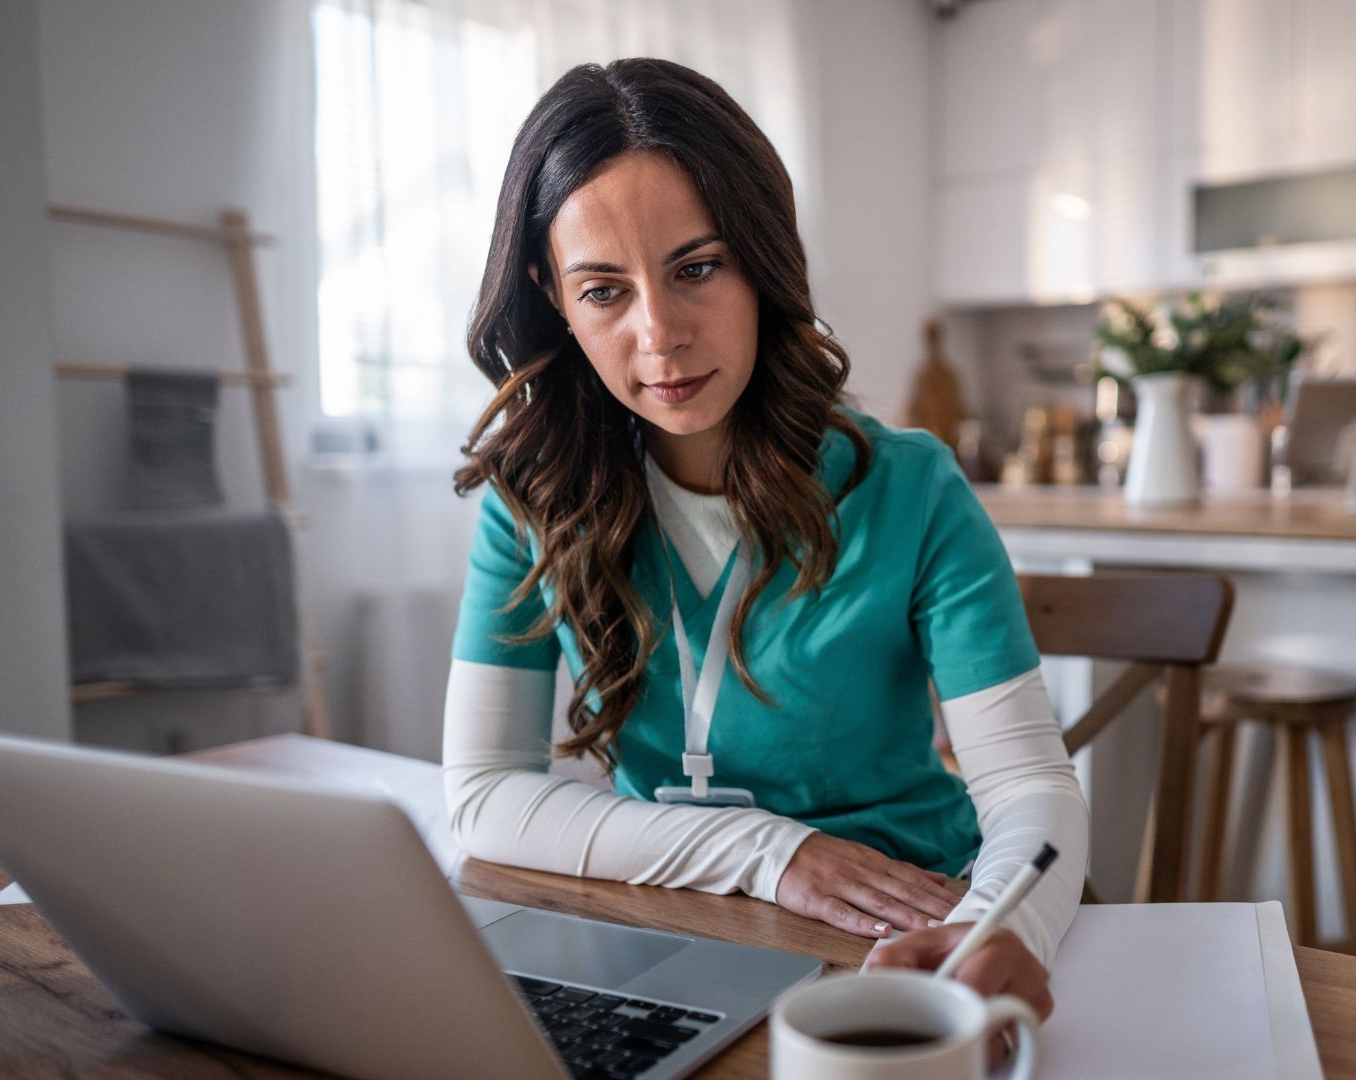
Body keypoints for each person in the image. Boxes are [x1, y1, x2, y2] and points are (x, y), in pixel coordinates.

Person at [441, 57, 1087, 1021]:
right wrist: (768, 853)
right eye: (605, 291)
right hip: (677, 942)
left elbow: (1030, 784)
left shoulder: (907, 485)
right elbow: (484, 794)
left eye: (697, 269)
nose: (660, 335)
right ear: (554, 297)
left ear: (763, 258)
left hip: (904, 938)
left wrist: (994, 931)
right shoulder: (534, 496)